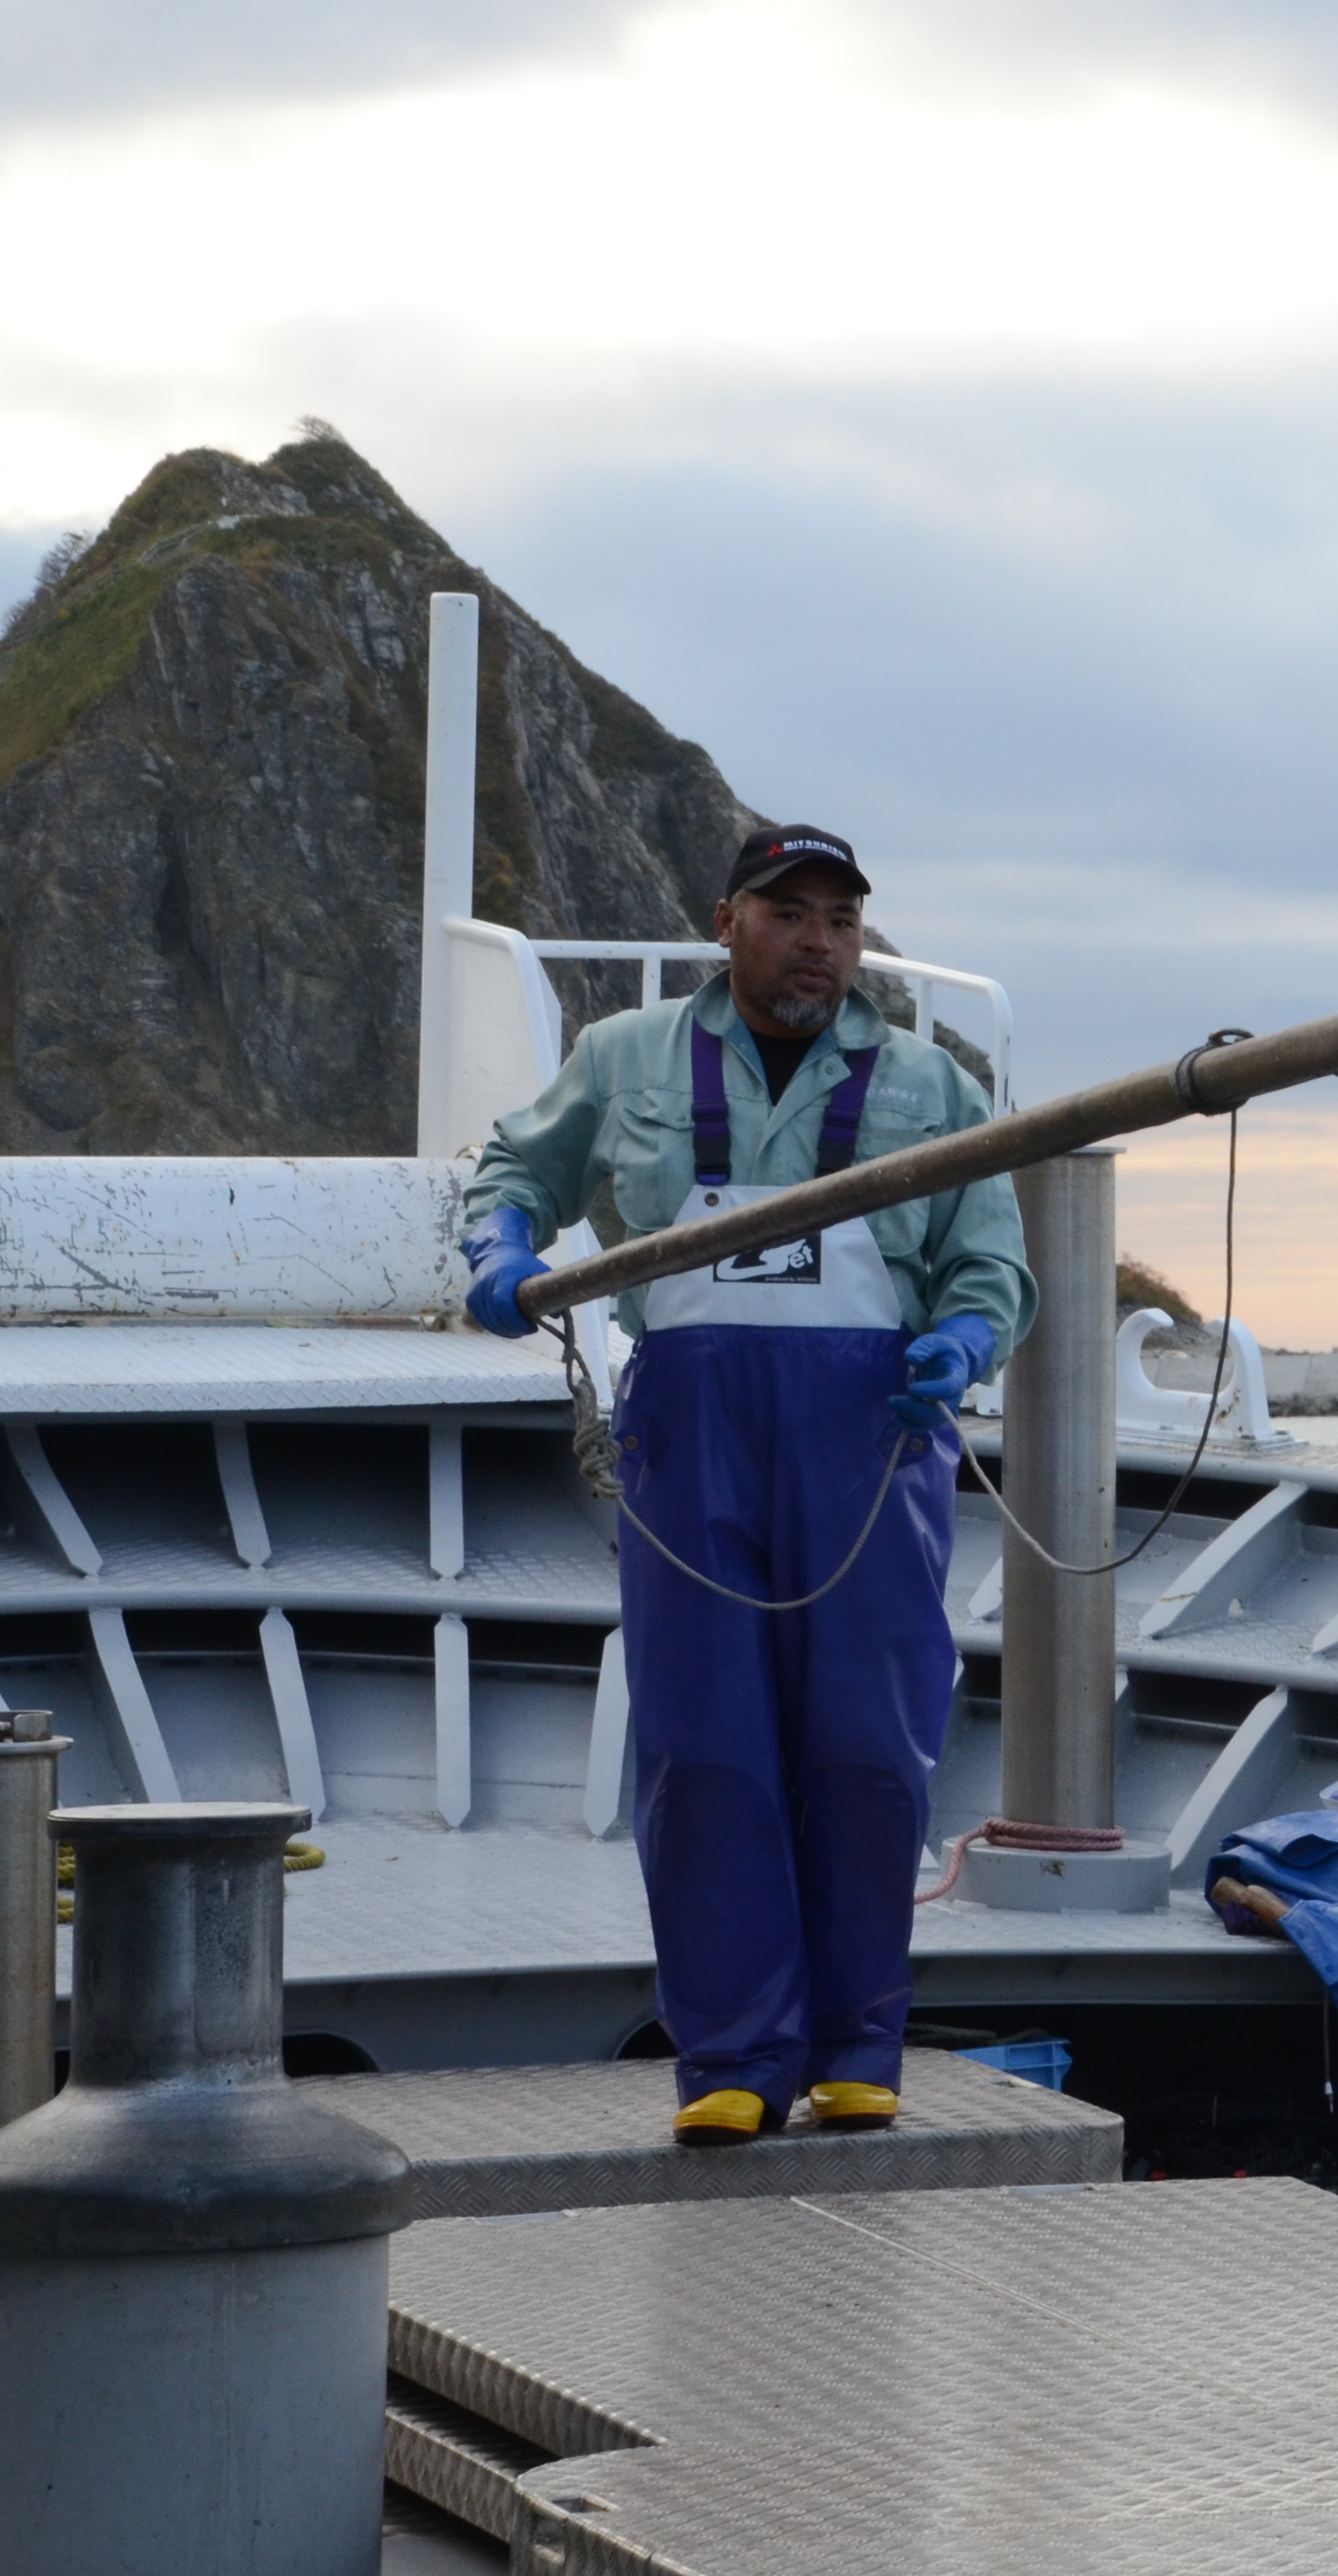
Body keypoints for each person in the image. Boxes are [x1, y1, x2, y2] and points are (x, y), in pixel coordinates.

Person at [457, 827, 1031, 2146]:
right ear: (729, 922)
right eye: (789, 911)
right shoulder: (624, 1058)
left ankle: (854, 2047)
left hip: (870, 1433)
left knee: (865, 1743)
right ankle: (731, 2056)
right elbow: (519, 1171)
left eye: (839, 917)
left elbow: (986, 1261)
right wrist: (498, 1241)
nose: (818, 938)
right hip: (690, 1427)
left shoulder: (931, 1082)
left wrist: (962, 1342)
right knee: (706, 1739)